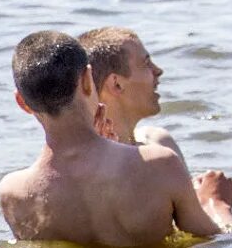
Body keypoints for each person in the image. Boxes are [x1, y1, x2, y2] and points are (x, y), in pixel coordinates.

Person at [0, 30, 232, 246]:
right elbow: (217, 242)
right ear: (86, 81)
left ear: (22, 103)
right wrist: (216, 203)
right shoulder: (159, 163)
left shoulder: (14, 194)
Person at [78, 26, 183, 160]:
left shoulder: (160, 141)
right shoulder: (91, 163)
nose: (158, 70)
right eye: (146, 63)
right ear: (116, 84)